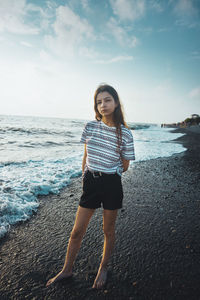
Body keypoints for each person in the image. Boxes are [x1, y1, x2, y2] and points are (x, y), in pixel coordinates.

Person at [46, 84, 135, 289]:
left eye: (107, 100)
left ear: (116, 102)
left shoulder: (126, 134)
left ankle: (103, 268)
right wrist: (86, 175)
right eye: (99, 101)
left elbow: (125, 165)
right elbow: (86, 155)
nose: (103, 105)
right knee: (77, 231)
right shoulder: (90, 127)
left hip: (112, 183)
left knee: (108, 230)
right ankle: (67, 269)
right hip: (91, 182)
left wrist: (109, 173)